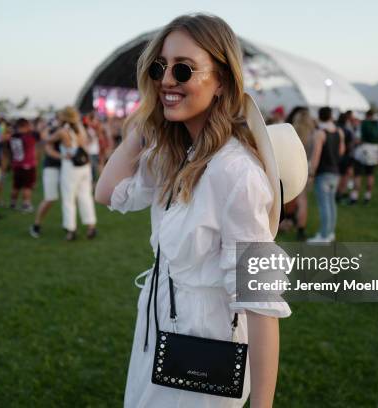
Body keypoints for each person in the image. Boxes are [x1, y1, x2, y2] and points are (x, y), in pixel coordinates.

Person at [95, 14, 296, 408]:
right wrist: (144, 125)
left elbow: (261, 305)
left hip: (206, 347)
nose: (167, 79)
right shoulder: (175, 153)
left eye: (183, 69)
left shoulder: (236, 173)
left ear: (221, 80)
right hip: (157, 330)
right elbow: (108, 193)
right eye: (160, 67)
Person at [55, 106, 97, 241]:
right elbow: (85, 144)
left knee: (69, 199)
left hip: (70, 166)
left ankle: (71, 229)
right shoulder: (81, 129)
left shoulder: (63, 131)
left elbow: (48, 139)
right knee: (85, 197)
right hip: (84, 166)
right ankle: (91, 226)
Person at [307, 107, 345, 243]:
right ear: (331, 116)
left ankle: (323, 236)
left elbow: (315, 156)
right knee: (331, 204)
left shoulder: (320, 133)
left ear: (319, 116)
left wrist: (311, 173)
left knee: (324, 205)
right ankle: (330, 233)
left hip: (323, 173)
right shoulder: (339, 132)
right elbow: (341, 151)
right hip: (335, 172)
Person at [285, 106, 314, 241]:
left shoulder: (292, 132)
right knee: (303, 200)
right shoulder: (313, 135)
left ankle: (287, 223)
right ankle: (300, 229)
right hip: (306, 169)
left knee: (290, 197)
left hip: (293, 167)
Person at [30, 123, 62, 238]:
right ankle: (36, 225)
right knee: (50, 198)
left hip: (65, 168)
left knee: (69, 198)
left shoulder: (68, 130)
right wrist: (67, 156)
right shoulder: (51, 131)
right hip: (51, 168)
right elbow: (49, 151)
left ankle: (69, 225)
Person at [350, 109, 378, 204]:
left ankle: (354, 197)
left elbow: (357, 140)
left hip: (363, 150)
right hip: (375, 150)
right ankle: (367, 196)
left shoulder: (363, 124)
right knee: (370, 174)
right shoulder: (377, 125)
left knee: (358, 175)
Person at [9, 118, 40, 212]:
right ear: (25, 126)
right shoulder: (28, 137)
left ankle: (13, 203)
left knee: (16, 186)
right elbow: (37, 136)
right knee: (27, 186)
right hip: (27, 165)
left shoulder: (13, 137)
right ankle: (26, 204)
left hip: (17, 164)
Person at [335, 111, 356, 202]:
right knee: (344, 176)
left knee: (336, 175)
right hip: (345, 156)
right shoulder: (347, 131)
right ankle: (340, 193)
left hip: (334, 156)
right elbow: (351, 146)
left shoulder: (334, 129)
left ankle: (335, 192)